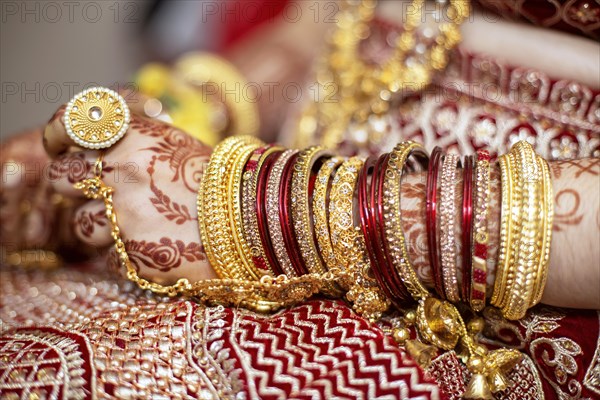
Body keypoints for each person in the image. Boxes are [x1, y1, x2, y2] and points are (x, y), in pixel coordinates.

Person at [1, 1, 599, 398]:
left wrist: (267, 208)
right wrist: (167, 122)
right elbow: (324, 22)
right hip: (290, 166)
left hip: (529, 291)